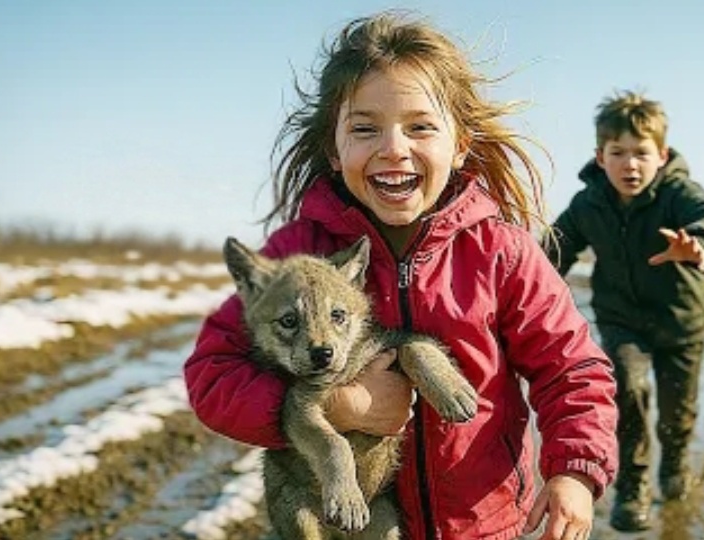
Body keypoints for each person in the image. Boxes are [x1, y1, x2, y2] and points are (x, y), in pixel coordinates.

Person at [184, 11, 618, 540]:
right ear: (333, 147)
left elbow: (570, 368)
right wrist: (344, 407)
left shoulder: (501, 250)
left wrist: (574, 469)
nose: (393, 148)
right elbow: (212, 376)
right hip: (348, 522)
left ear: (459, 143)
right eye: (365, 128)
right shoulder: (298, 255)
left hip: (482, 521)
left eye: (420, 127)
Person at [543, 90, 704, 532]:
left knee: (677, 409)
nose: (630, 164)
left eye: (641, 153)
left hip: (681, 320)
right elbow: (552, 252)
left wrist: (702, 242)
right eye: (618, 153)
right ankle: (634, 486)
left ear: (662, 155)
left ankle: (675, 462)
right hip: (623, 319)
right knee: (627, 389)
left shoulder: (677, 193)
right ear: (600, 157)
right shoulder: (588, 204)